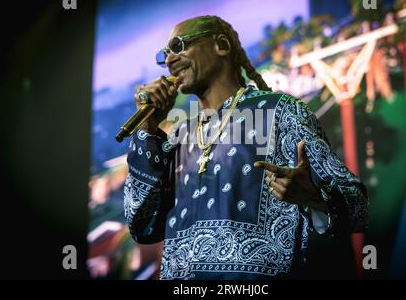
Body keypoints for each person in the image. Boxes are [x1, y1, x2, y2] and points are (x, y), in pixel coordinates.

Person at [123, 15, 368, 280]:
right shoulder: (180, 133)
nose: (169, 60)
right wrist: (147, 129)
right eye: (165, 55)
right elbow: (143, 226)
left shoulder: (280, 112)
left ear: (221, 46)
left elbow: (358, 208)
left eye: (179, 46)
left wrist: (313, 197)